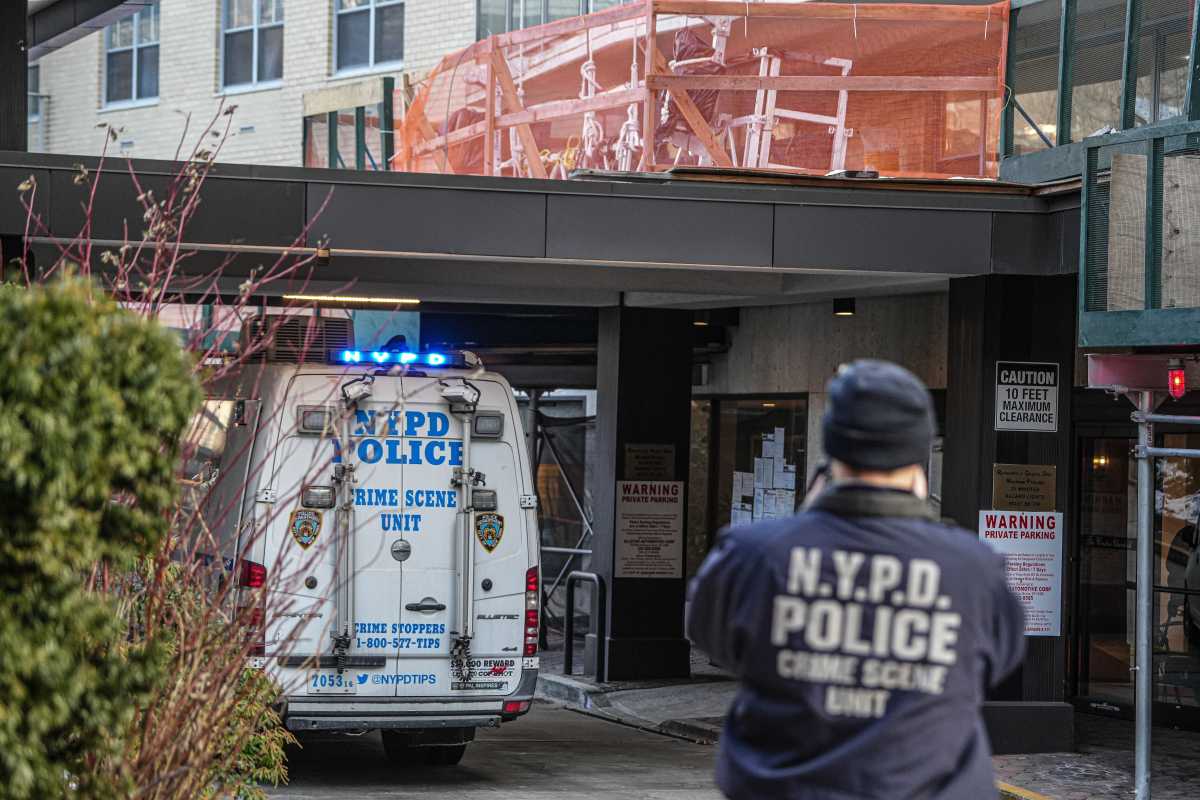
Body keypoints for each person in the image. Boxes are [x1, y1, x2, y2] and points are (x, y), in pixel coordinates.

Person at [688, 359, 1025, 800]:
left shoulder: (754, 554)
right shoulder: (973, 568)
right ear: (919, 453)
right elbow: (996, 661)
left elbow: (712, 637)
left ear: (832, 452)